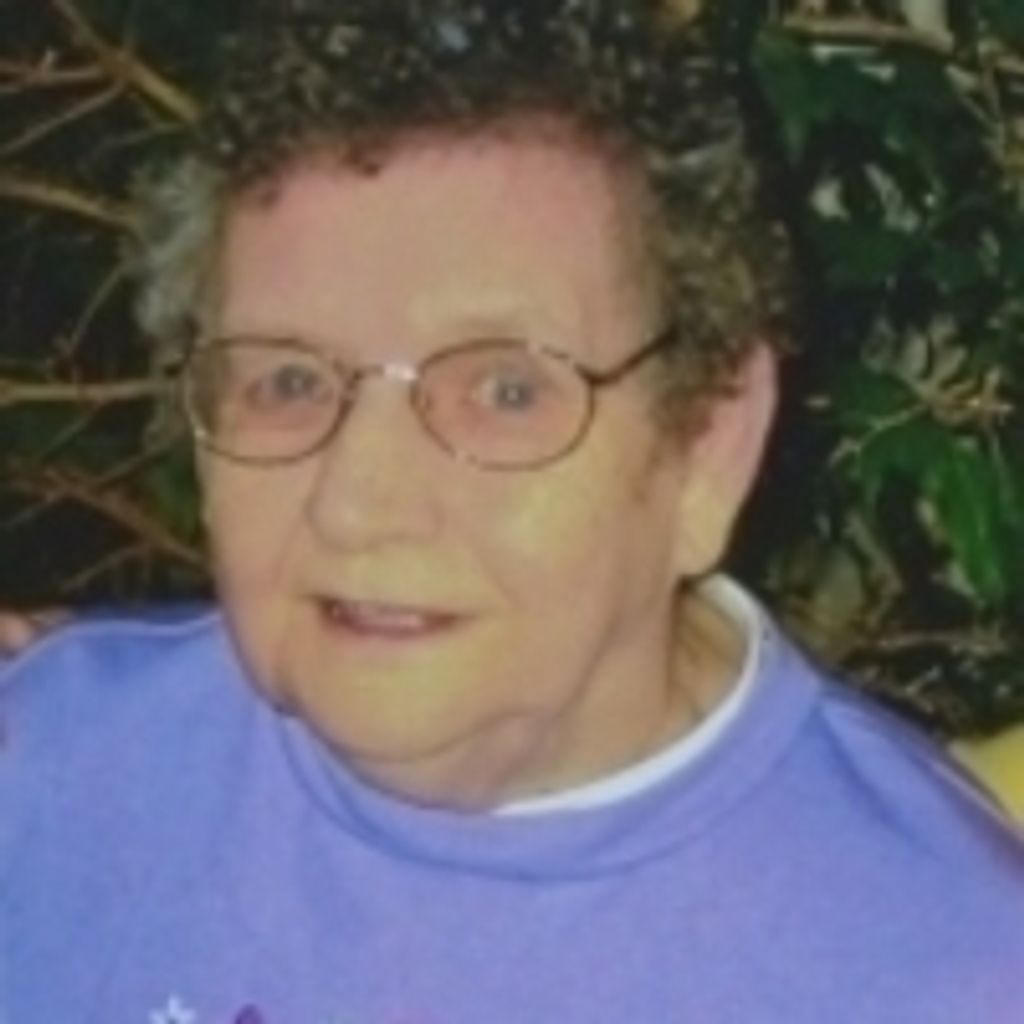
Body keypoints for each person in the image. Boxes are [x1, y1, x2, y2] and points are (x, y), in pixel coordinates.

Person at [2, 3, 1023, 1021]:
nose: (357, 504)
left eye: (503, 391)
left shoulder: (935, 970)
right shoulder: (55, 771)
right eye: (290, 382)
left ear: (705, 444)